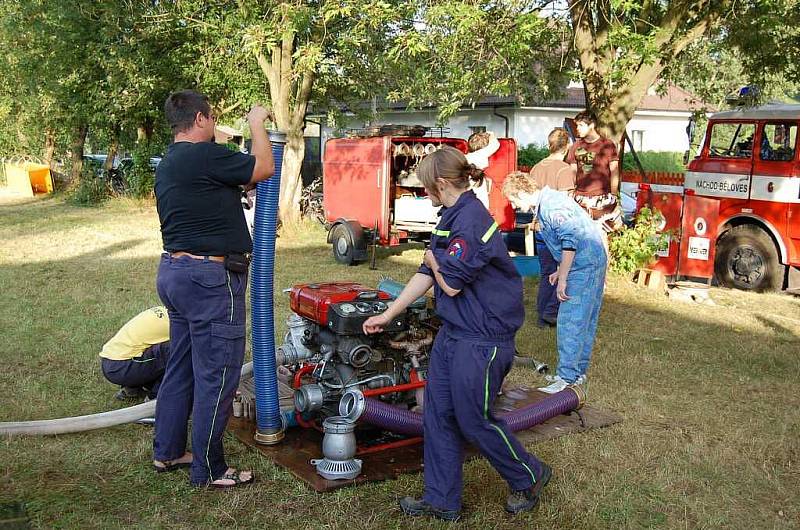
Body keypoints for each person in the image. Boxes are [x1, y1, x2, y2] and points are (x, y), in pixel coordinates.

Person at [363, 146, 552, 522]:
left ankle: (529, 475)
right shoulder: (450, 215)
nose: (423, 192)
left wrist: (435, 261)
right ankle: (441, 499)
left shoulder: (471, 221)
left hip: (483, 339)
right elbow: (427, 273)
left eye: (425, 186)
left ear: (442, 183)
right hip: (455, 333)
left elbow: (446, 281)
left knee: (473, 419)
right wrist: (388, 314)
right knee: (438, 415)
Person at [153, 90, 274, 486]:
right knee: (218, 375)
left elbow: (222, 185)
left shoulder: (170, 162)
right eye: (213, 120)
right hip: (210, 282)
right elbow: (262, 169)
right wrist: (256, 123)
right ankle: (211, 469)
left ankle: (168, 452)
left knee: (181, 367)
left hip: (174, 273)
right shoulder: (204, 156)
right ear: (202, 119)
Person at [502, 172, 606, 394]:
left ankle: (566, 379)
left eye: (513, 200)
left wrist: (564, 278)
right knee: (585, 319)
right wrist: (560, 269)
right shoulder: (550, 201)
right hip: (591, 258)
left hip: (583, 264)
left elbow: (570, 240)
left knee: (571, 320)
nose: (514, 206)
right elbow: (569, 237)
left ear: (521, 192)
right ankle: (577, 373)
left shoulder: (550, 206)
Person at [528, 128, 575, 327]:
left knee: (547, 272)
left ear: (549, 145)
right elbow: (567, 202)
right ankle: (551, 311)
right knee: (566, 270)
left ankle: (542, 315)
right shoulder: (564, 170)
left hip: (539, 227)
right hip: (557, 230)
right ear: (568, 146)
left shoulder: (536, 168)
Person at [566, 111, 623, 241]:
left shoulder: (607, 145)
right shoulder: (575, 146)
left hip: (603, 198)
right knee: (581, 236)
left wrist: (614, 195)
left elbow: (614, 171)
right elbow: (572, 171)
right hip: (580, 198)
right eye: (577, 126)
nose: (577, 129)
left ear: (591, 125)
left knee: (605, 236)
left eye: (581, 125)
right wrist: (571, 192)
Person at [99, 306, 170, 400]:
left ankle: (132, 389)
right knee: (180, 350)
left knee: (154, 348)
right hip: (123, 367)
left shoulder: (162, 310)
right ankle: (156, 397)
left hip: (110, 360)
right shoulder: (177, 324)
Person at [465, 131, 499, 209]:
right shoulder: (481, 154)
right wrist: (491, 134)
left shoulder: (465, 157)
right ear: (484, 147)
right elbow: (495, 144)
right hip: (477, 189)